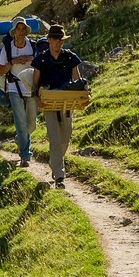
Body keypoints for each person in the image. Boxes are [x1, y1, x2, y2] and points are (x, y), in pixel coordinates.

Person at [31, 25, 86, 187]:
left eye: (60, 40)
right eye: (54, 40)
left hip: (67, 101)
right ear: (49, 40)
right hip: (48, 102)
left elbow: (77, 80)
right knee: (54, 139)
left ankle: (55, 160)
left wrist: (83, 93)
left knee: (66, 135)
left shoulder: (70, 57)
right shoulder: (41, 59)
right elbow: (35, 84)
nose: (57, 43)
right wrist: (37, 98)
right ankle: (59, 175)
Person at [0, 17, 39, 167]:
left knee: (32, 124)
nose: (21, 32)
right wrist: (13, 62)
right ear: (13, 32)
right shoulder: (6, 48)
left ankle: (20, 139)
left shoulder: (33, 46)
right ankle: (25, 155)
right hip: (14, 88)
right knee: (21, 122)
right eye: (18, 29)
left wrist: (31, 59)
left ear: (26, 31)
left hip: (31, 89)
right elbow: (1, 71)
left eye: (23, 29)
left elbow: (40, 66)